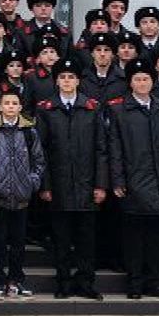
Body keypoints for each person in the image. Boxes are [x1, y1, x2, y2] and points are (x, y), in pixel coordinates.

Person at [105, 63, 159, 299]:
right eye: (137, 79)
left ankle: (154, 282)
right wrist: (118, 180)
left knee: (156, 238)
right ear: (130, 82)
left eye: (146, 79)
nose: (142, 83)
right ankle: (135, 283)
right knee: (134, 238)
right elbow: (114, 148)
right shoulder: (119, 110)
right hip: (134, 181)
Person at [37, 57, 107, 300]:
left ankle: (86, 282)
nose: (67, 81)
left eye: (71, 77)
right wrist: (45, 185)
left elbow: (101, 149)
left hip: (87, 185)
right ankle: (64, 282)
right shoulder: (46, 109)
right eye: (62, 77)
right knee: (62, 239)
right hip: (59, 185)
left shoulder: (92, 107)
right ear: (57, 81)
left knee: (87, 239)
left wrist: (100, 184)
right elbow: (41, 151)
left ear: (78, 80)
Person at [0, 89, 43, 297]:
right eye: (6, 103)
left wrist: (31, 183)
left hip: (22, 196)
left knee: (18, 243)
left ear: (19, 107)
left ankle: (16, 278)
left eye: (14, 103)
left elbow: (38, 161)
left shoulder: (29, 132)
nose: (10, 106)